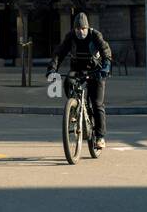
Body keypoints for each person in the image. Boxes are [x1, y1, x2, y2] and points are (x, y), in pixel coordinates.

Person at [48, 12, 112, 150]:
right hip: (78, 69)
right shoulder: (70, 36)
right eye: (77, 29)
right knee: (68, 81)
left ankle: (100, 137)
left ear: (87, 28)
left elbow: (106, 51)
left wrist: (106, 67)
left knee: (97, 103)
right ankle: (73, 110)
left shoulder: (95, 35)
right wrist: (52, 69)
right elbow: (59, 53)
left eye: (82, 28)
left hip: (96, 71)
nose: (80, 31)